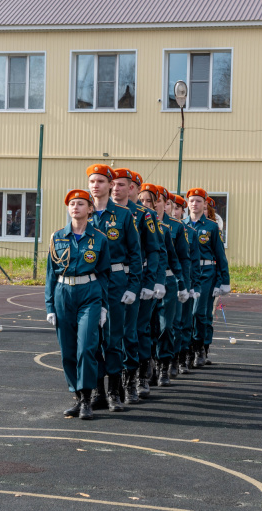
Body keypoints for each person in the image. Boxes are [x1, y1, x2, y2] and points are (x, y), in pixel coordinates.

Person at [45, 189, 111, 420]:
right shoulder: (57, 238)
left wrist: (103, 306)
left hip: (89, 293)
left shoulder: (100, 238)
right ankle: (76, 396)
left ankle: (86, 400)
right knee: (68, 351)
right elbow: (50, 274)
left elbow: (104, 274)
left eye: (81, 203)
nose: (75, 207)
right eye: (72, 203)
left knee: (86, 347)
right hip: (63, 293)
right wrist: (50, 306)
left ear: (90, 209)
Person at [86, 164, 142, 412]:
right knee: (92, 339)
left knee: (113, 339)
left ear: (110, 185)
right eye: (92, 182)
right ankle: (97, 391)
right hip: (89, 283)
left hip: (117, 282)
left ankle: (114, 392)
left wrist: (133, 286)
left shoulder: (123, 215)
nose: (95, 186)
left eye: (100, 181)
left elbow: (136, 254)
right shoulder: (82, 212)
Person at [115, 169, 164, 399]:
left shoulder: (144, 215)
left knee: (137, 330)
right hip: (113, 279)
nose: (116, 188)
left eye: (122, 185)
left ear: (132, 187)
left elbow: (154, 251)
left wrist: (150, 282)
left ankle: (138, 377)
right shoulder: (104, 212)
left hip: (139, 279)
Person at [139, 184, 189, 386]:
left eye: (153, 201)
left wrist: (184, 284)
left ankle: (164, 365)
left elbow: (181, 258)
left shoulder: (173, 227)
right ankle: (147, 365)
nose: (147, 204)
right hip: (145, 279)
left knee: (166, 326)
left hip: (168, 280)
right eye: (142, 200)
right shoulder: (138, 223)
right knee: (146, 326)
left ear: (163, 203)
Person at [184, 188, 230, 367]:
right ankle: (188, 350)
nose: (194, 204)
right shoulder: (182, 225)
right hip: (188, 274)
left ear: (204, 205)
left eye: (198, 201)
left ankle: (200, 348)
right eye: (192, 201)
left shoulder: (211, 227)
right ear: (187, 203)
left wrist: (223, 280)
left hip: (206, 274)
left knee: (199, 313)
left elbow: (220, 255)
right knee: (187, 315)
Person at [170, 194, 201, 373]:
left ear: (183, 211)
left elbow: (193, 261)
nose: (173, 211)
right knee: (169, 324)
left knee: (183, 321)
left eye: (176, 208)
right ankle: (170, 358)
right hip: (168, 279)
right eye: (170, 207)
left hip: (185, 280)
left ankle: (182, 356)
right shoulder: (161, 227)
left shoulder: (190, 232)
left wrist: (194, 285)